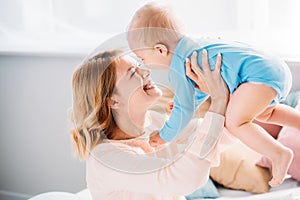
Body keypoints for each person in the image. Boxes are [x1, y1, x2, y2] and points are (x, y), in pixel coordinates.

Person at [127, 2, 299, 187]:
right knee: (266, 113)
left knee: (235, 122)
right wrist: (183, 103)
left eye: (143, 58)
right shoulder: (196, 46)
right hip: (273, 69)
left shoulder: (178, 65)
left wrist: (164, 136)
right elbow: (201, 88)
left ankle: (279, 154)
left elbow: (184, 111)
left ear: (160, 50)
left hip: (259, 77)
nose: (144, 64)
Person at [69, 49, 232, 199]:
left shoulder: (154, 121)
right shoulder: (106, 159)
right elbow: (182, 178)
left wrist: (244, 108)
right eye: (132, 72)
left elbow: (209, 133)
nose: (146, 71)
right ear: (112, 101)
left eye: (139, 65)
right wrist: (218, 103)